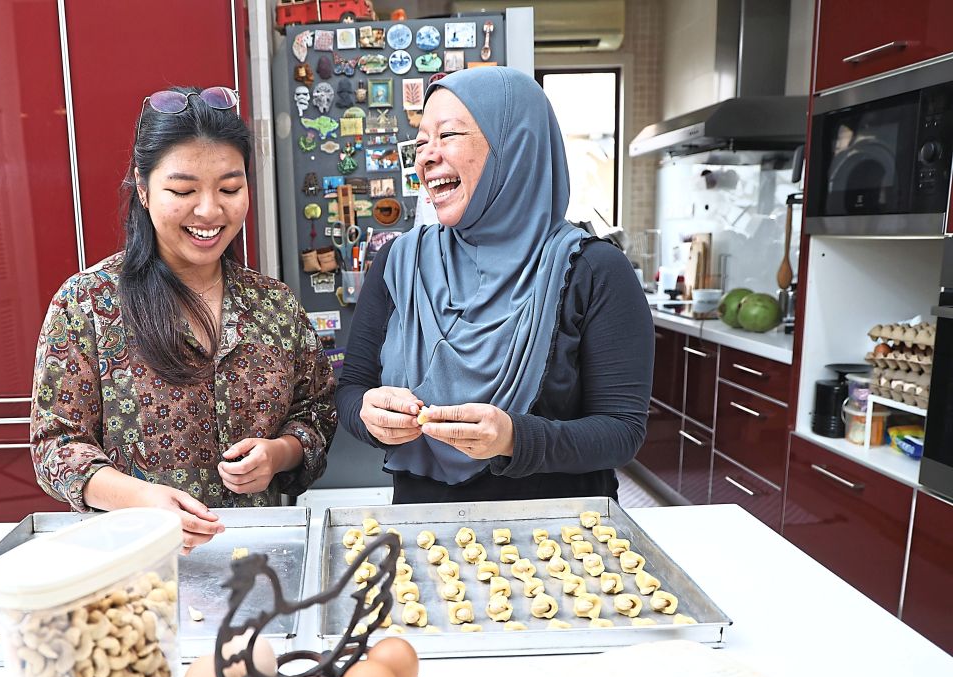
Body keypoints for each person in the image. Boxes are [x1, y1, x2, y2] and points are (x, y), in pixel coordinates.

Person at [32, 86, 337, 550]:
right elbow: (55, 446)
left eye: (230, 188)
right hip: (138, 559)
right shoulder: (88, 304)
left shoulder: (274, 305)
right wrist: (139, 498)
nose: (210, 210)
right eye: (182, 190)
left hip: (262, 558)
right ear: (143, 189)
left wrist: (278, 454)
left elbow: (315, 413)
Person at [336, 67, 653, 504]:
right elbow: (352, 388)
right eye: (421, 140)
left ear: (514, 147)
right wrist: (367, 414)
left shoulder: (594, 270)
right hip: (424, 533)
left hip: (562, 539)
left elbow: (622, 430)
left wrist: (514, 438)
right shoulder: (398, 262)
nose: (425, 156)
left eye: (447, 136)